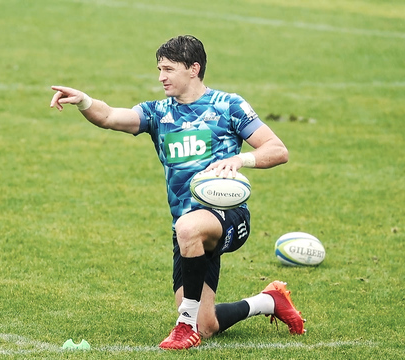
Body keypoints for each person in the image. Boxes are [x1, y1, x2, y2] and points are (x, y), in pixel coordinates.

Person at [50, 35, 305, 350]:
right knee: (207, 323)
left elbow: (278, 150)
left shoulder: (228, 106)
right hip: (185, 228)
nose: (161, 77)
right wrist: (85, 101)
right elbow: (110, 117)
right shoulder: (158, 113)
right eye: (159, 69)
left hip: (228, 216)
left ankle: (184, 328)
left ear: (193, 69)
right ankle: (269, 300)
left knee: (188, 230)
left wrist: (240, 159)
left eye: (168, 69)